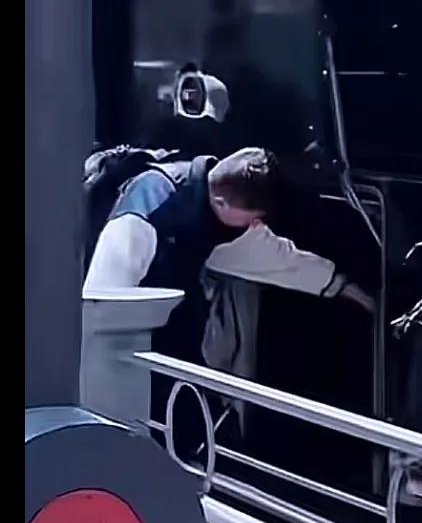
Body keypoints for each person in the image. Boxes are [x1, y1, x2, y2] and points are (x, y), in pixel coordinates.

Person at [84, 147, 374, 452]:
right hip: (125, 340)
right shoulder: (147, 208)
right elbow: (101, 298)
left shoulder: (213, 204)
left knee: (183, 425)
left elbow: (267, 255)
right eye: (253, 217)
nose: (256, 224)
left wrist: (337, 283)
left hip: (169, 332)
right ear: (222, 202)